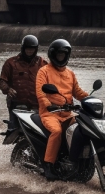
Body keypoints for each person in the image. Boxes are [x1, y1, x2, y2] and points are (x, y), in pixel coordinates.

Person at [35, 39, 89, 181]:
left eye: (63, 54)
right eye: (59, 54)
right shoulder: (44, 71)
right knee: (57, 131)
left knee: (83, 129)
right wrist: (48, 104)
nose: (61, 57)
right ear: (53, 54)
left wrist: (91, 99)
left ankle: (73, 161)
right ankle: (48, 165)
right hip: (49, 113)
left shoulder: (70, 73)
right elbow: (41, 92)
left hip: (67, 113)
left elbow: (77, 92)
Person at [0, 35, 48, 132]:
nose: (29, 51)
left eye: (32, 49)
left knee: (38, 131)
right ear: (23, 48)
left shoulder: (43, 64)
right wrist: (8, 89)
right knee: (13, 130)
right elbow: (1, 81)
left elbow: (51, 82)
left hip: (36, 105)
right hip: (16, 104)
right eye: (27, 49)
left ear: (36, 49)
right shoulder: (11, 63)